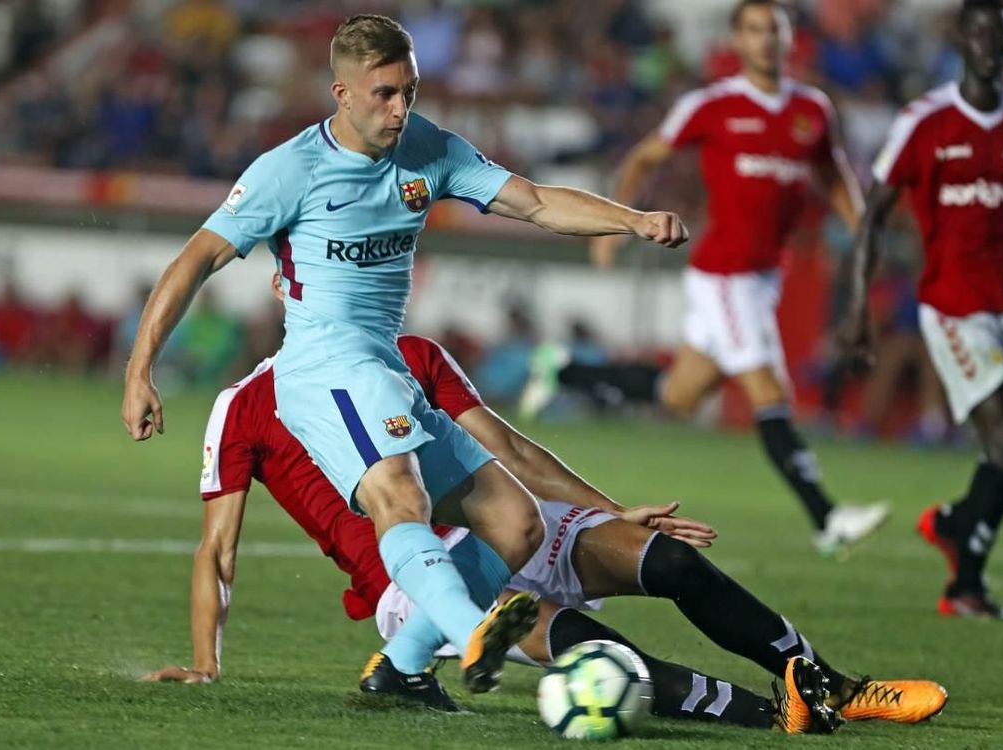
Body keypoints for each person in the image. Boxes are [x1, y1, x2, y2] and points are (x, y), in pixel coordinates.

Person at [121, 14, 688, 694]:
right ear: (342, 92)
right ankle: (472, 632)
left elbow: (535, 203)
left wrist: (632, 220)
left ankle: (404, 666)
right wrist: (139, 369)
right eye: (385, 93)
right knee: (399, 494)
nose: (400, 109)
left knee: (516, 525)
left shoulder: (429, 149)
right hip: (323, 370)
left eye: (409, 92)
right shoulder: (289, 170)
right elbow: (196, 259)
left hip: (383, 370)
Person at [142, 283, 946, 733]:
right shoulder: (242, 407)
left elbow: (512, 452)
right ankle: (777, 715)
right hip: (420, 586)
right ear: (297, 296)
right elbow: (218, 548)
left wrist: (616, 514)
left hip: (511, 521)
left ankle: (833, 684)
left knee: (669, 561)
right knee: (601, 657)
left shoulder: (415, 355)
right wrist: (209, 664)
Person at [523, 0, 889, 556]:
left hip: (765, 277)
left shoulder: (812, 110)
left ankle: (564, 370)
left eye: (775, 30)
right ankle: (828, 517)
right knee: (770, 393)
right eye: (754, 30)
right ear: (737, 41)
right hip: (723, 275)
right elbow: (645, 158)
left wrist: (863, 231)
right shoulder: (712, 105)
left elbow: (834, 177)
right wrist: (612, 226)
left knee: (679, 396)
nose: (765, 40)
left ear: (789, 41)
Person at [843, 0, 1003, 621]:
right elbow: (874, 216)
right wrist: (860, 305)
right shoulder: (929, 121)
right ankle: (964, 583)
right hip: (953, 304)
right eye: (979, 34)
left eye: (1000, 35)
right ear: (961, 42)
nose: (990, 45)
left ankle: (956, 525)